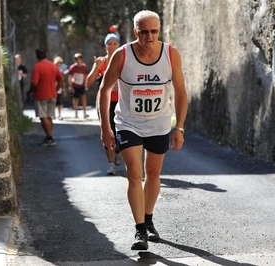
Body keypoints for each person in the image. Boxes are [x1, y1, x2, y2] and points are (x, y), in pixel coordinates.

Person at [98, 10, 188, 250]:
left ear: (159, 30)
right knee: (134, 173)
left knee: (153, 173)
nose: (149, 36)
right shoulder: (122, 55)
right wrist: (105, 126)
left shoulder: (171, 54)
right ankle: (139, 231)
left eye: (154, 31)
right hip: (128, 124)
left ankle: (148, 219)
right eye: (144, 31)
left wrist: (179, 126)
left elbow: (180, 92)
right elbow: (104, 90)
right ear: (135, 31)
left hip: (159, 124)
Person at [86, 33, 122, 175]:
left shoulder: (124, 60)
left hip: (121, 101)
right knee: (107, 131)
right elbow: (88, 82)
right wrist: (96, 67)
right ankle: (111, 164)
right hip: (104, 102)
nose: (112, 47)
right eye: (109, 44)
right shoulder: (101, 62)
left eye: (115, 44)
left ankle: (118, 150)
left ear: (118, 45)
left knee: (120, 132)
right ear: (105, 46)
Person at [27, 48, 64, 146]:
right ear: (47, 55)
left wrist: (30, 91)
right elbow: (61, 79)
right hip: (52, 94)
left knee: (43, 117)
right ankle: (49, 137)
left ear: (36, 56)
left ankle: (50, 137)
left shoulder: (37, 67)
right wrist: (56, 89)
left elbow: (34, 82)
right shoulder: (53, 66)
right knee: (49, 116)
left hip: (40, 95)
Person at [69, 53, 88, 118]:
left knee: (84, 98)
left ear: (81, 59)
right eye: (76, 59)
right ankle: (76, 112)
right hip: (75, 85)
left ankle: (85, 112)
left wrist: (86, 84)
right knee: (75, 99)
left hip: (82, 85)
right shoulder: (72, 67)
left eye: (79, 59)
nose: (78, 60)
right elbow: (70, 77)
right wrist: (71, 87)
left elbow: (85, 76)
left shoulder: (84, 67)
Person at [53, 56, 68, 120]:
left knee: (59, 102)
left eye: (59, 65)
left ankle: (59, 114)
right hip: (52, 88)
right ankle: (53, 114)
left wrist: (64, 89)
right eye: (57, 65)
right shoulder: (52, 71)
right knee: (52, 102)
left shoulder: (61, 72)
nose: (58, 66)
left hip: (58, 89)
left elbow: (63, 81)